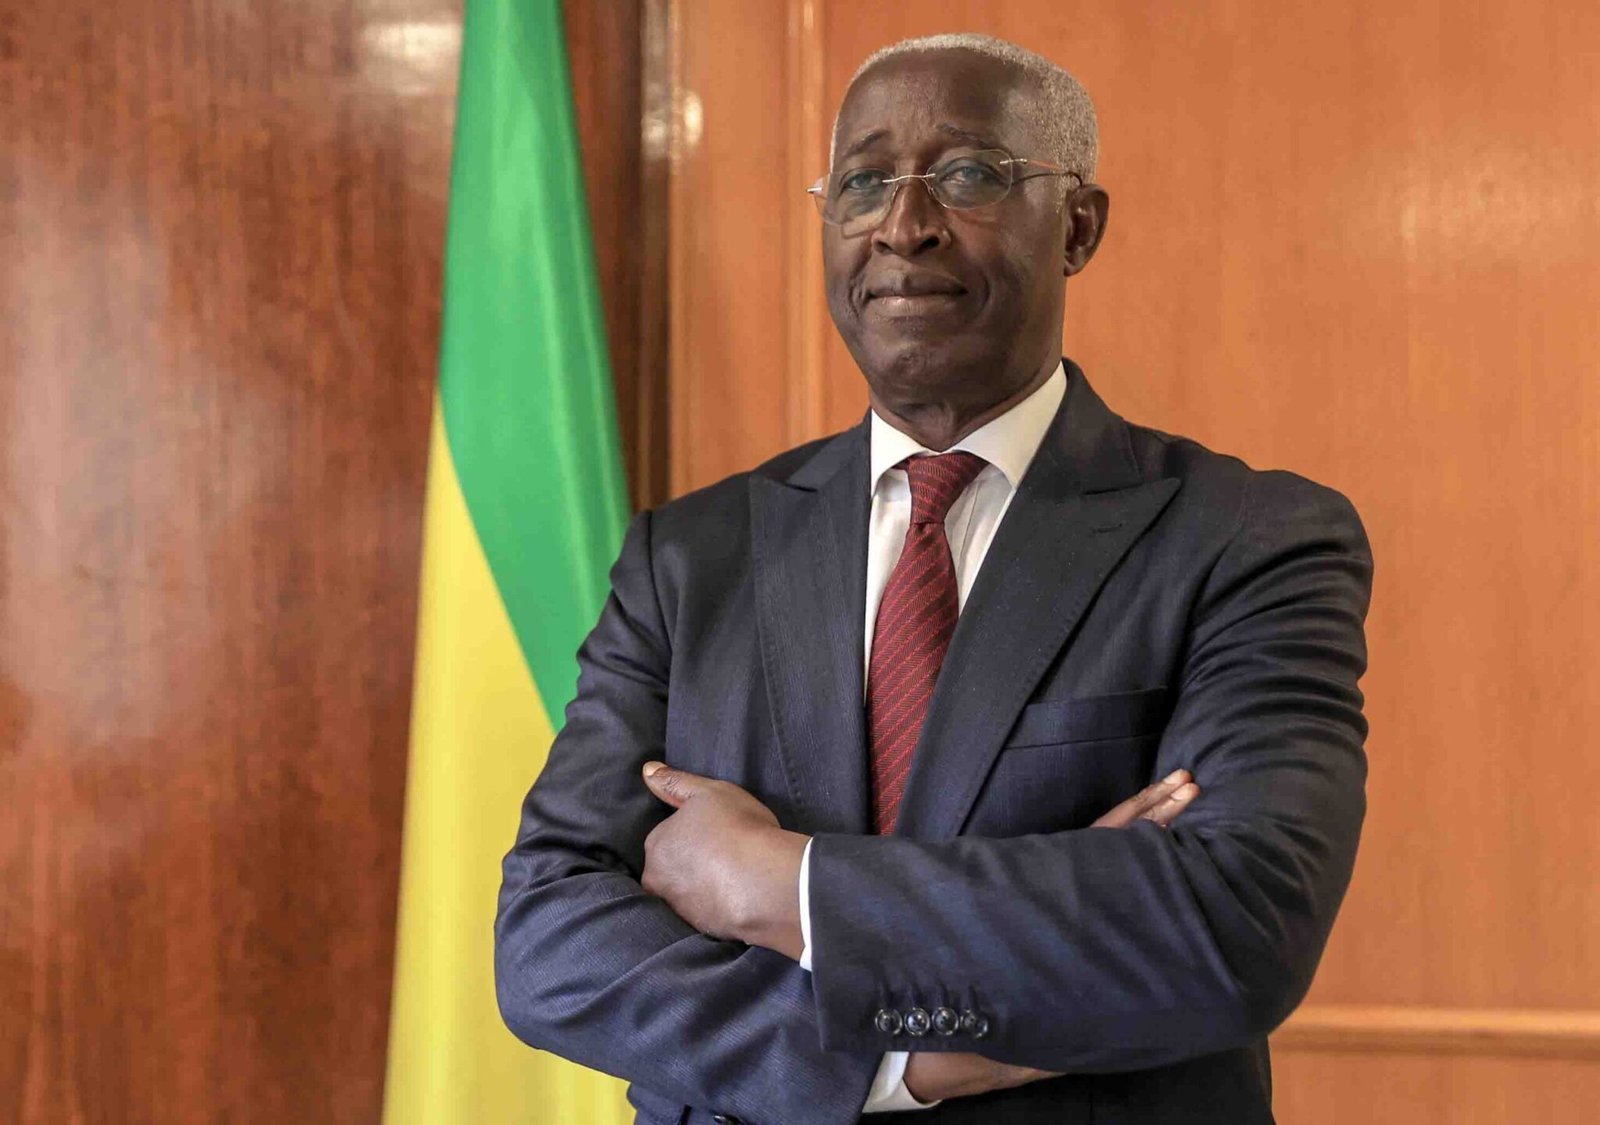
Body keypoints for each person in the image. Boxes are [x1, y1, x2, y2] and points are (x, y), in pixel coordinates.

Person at [496, 32, 1372, 1125]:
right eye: (863, 183)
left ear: (1078, 227)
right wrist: (895, 1066)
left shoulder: (1246, 539)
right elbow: (549, 939)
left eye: (967, 175)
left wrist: (783, 883)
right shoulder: (688, 557)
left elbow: (1235, 923)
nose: (903, 225)